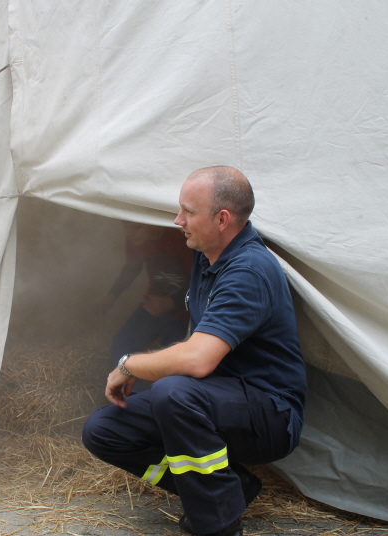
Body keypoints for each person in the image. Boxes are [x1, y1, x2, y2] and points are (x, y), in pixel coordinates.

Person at [82, 166, 306, 536]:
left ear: (222, 219)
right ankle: (229, 488)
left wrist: (129, 365)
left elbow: (198, 359)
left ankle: (218, 523)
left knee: (174, 392)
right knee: (103, 429)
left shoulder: (249, 269)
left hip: (271, 412)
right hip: (214, 398)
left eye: (188, 211)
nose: (177, 220)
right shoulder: (207, 256)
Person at [94, 222, 194, 383]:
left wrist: (172, 302)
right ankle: (131, 397)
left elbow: (199, 280)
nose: (130, 233)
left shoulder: (180, 238)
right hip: (152, 305)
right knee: (122, 344)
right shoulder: (136, 241)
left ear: (153, 223)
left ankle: (153, 400)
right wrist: (112, 296)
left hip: (184, 313)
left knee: (170, 362)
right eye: (125, 226)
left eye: (137, 227)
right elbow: (131, 268)